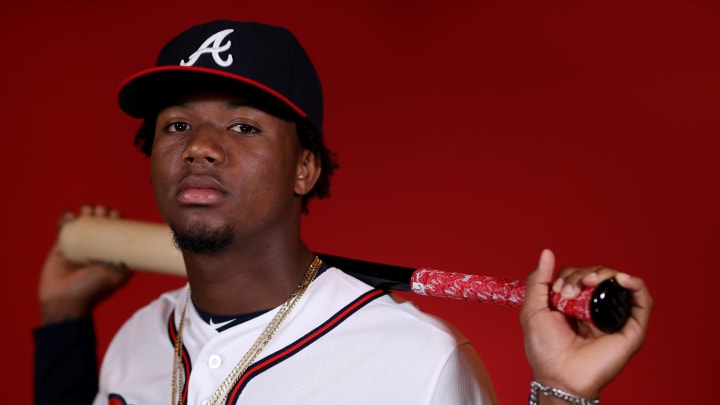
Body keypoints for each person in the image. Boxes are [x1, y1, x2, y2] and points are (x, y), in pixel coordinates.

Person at [34, 20, 652, 405]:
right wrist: (64, 319)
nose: (199, 146)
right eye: (177, 125)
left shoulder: (417, 361)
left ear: (306, 168)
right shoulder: (136, 340)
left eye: (243, 125)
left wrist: (566, 396)